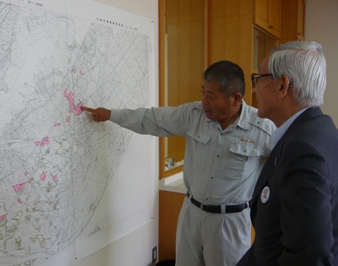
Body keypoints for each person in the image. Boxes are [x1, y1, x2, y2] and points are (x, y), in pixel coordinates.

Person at [82, 60, 276, 266]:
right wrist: (112, 115)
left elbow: (282, 170)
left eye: (210, 96)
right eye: (203, 92)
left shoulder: (262, 128)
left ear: (235, 98)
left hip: (229, 222)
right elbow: (153, 119)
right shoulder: (193, 116)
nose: (203, 101)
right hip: (191, 215)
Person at [237, 41, 338, 266]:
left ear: (283, 86)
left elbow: (309, 256)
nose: (254, 89)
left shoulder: (302, 150)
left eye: (258, 78)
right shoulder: (323, 129)